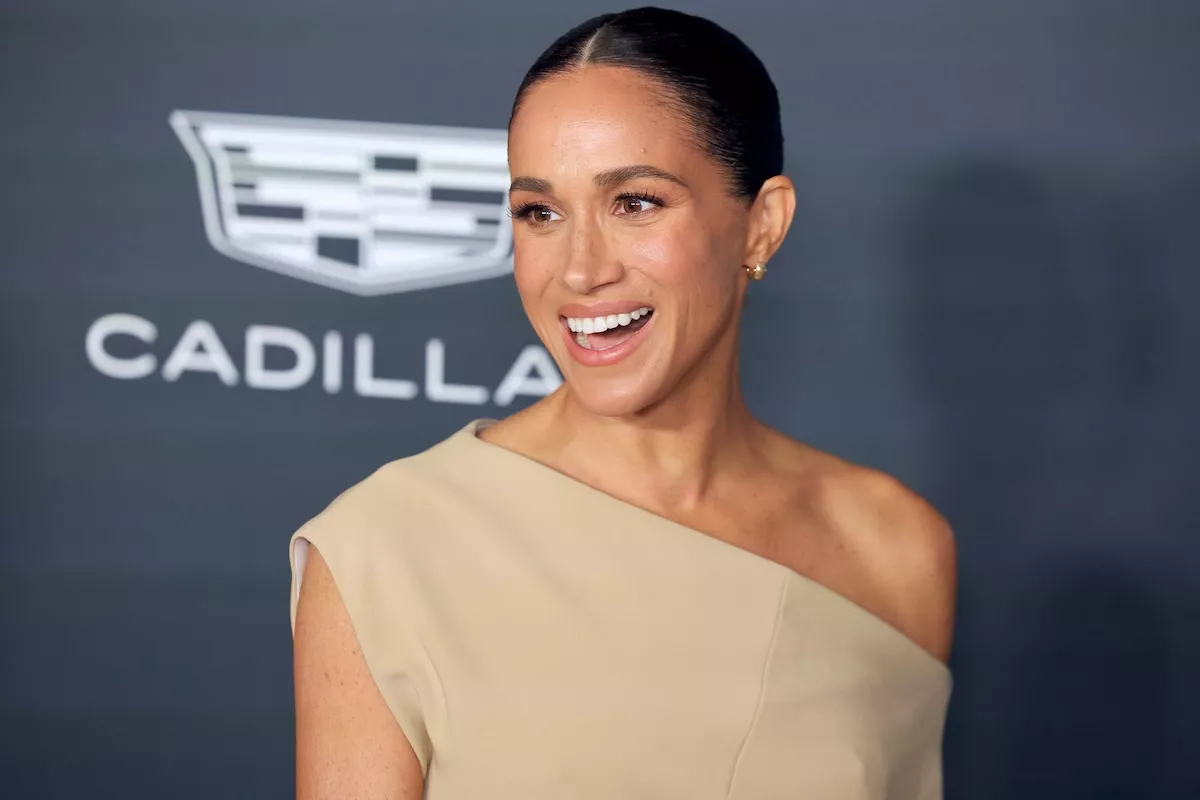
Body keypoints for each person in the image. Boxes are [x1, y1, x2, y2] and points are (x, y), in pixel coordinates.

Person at [290, 7, 956, 799]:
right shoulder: (386, 550)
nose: (579, 270)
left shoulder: (895, 548)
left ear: (762, 225)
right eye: (541, 213)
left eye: (635, 203)